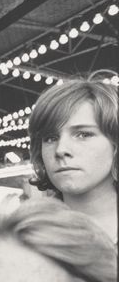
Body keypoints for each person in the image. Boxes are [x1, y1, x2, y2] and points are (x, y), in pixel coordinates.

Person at [27, 72, 117, 244]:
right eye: (50, 138)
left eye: (83, 134)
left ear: (115, 143)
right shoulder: (23, 239)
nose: (60, 150)